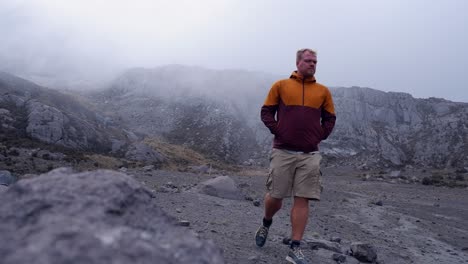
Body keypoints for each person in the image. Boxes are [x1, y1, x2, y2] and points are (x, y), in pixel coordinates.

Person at [255, 48, 336, 264]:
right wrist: (279, 130)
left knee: (303, 200)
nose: (313, 64)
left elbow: (330, 119)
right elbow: (266, 112)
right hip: (283, 151)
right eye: (309, 61)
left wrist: (319, 135)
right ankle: (266, 222)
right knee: (276, 198)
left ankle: (295, 247)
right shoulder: (281, 85)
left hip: (310, 155)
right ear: (298, 62)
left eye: (315, 61)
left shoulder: (323, 91)